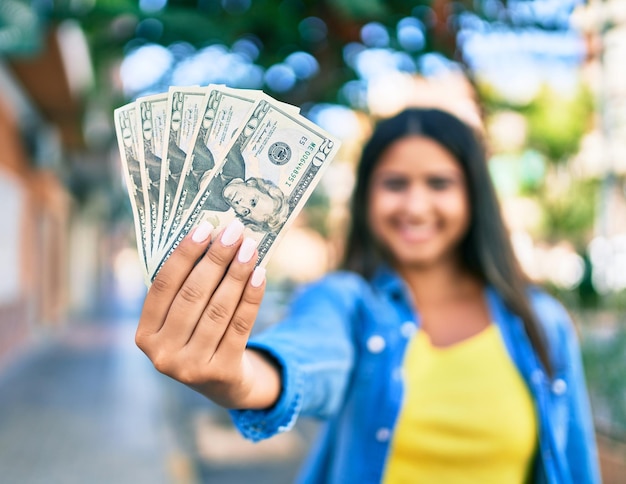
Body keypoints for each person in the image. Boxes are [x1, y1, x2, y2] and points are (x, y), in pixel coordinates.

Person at [135, 108, 601, 483]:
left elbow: (577, 465)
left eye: (439, 183)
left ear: (474, 197)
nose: (416, 206)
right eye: (395, 184)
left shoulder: (541, 323)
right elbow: (308, 356)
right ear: (367, 198)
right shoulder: (346, 303)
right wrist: (239, 378)